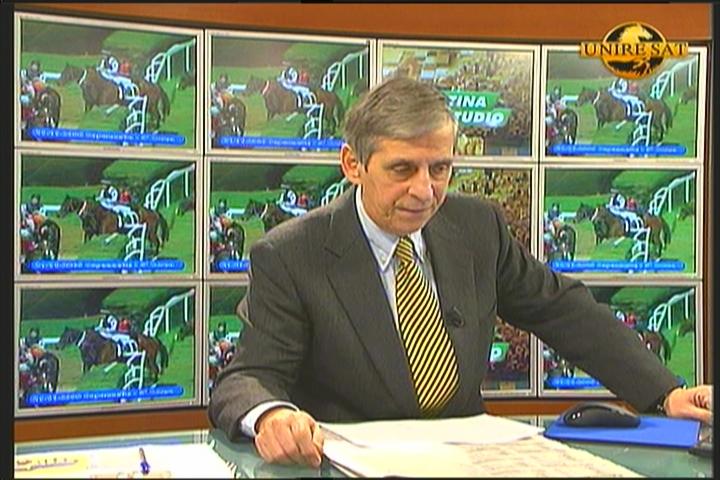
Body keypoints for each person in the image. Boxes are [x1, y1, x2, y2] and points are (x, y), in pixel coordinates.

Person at [208, 77, 712, 467]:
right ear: (352, 164)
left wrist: (664, 393)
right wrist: (271, 415)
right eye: (403, 169)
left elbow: (562, 310)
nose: (425, 190)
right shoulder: (292, 253)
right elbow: (248, 376)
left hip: (469, 463)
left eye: (440, 168)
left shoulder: (475, 226)